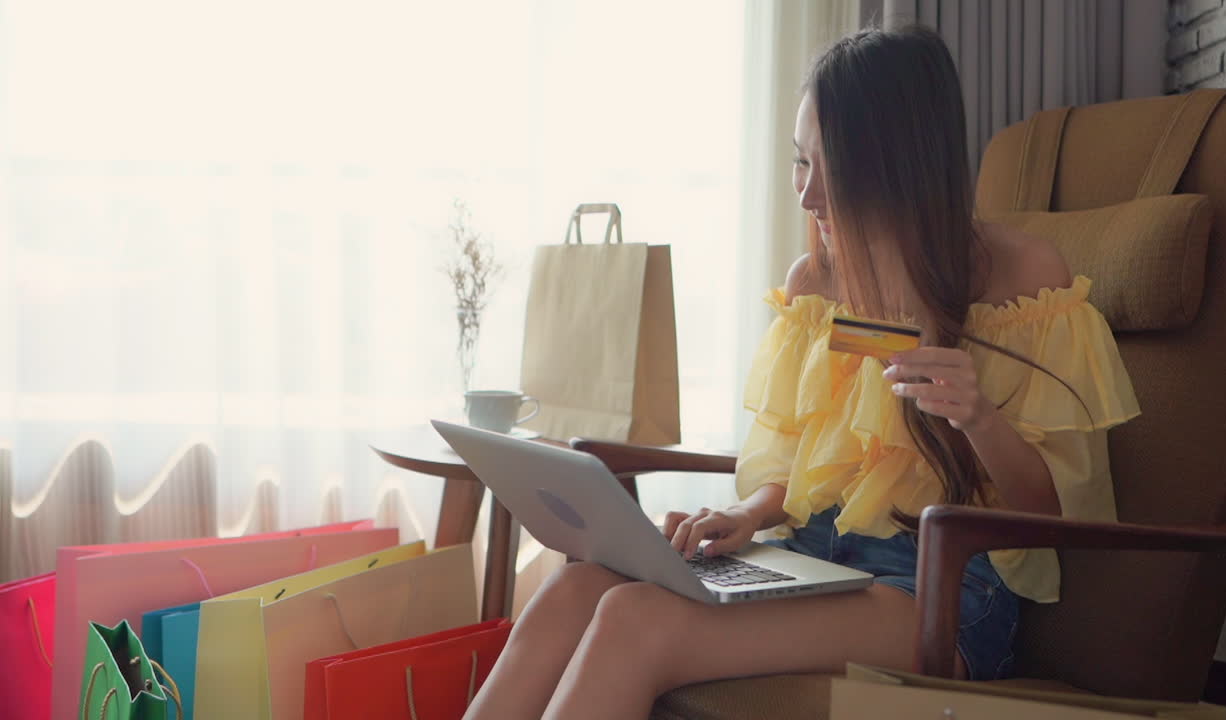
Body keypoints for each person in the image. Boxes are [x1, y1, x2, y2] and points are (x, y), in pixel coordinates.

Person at [464, 25, 1140, 720]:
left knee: (635, 620)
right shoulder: (816, 285)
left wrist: (978, 418)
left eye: (830, 167)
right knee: (574, 590)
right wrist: (745, 513)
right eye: (799, 162)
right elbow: (805, 468)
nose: (807, 194)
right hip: (811, 558)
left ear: (897, 163)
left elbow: (1050, 517)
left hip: (941, 591)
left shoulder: (1026, 281)